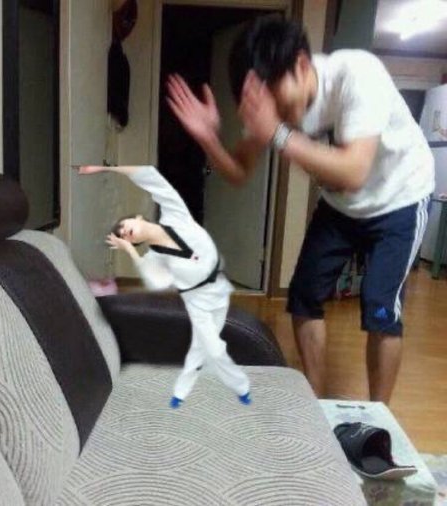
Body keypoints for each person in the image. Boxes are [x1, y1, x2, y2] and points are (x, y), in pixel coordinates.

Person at [166, 17, 434, 403]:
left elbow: (354, 171)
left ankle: (380, 413)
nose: (274, 112)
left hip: (400, 198)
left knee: (380, 309)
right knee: (304, 296)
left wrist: (276, 132)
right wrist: (209, 139)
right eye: (266, 105)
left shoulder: (357, 74)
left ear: (302, 65)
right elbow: (239, 171)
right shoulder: (268, 105)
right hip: (341, 207)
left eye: (278, 100)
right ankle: (315, 400)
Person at [76, 164, 251, 408]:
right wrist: (130, 252)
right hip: (198, 299)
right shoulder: (154, 257)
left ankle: (182, 394)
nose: (125, 232)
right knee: (211, 347)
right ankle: (238, 388)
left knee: (202, 349)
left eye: (124, 226)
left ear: (138, 217)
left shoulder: (174, 215)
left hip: (219, 287)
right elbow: (157, 282)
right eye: (123, 236)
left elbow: (151, 177)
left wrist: (106, 168)